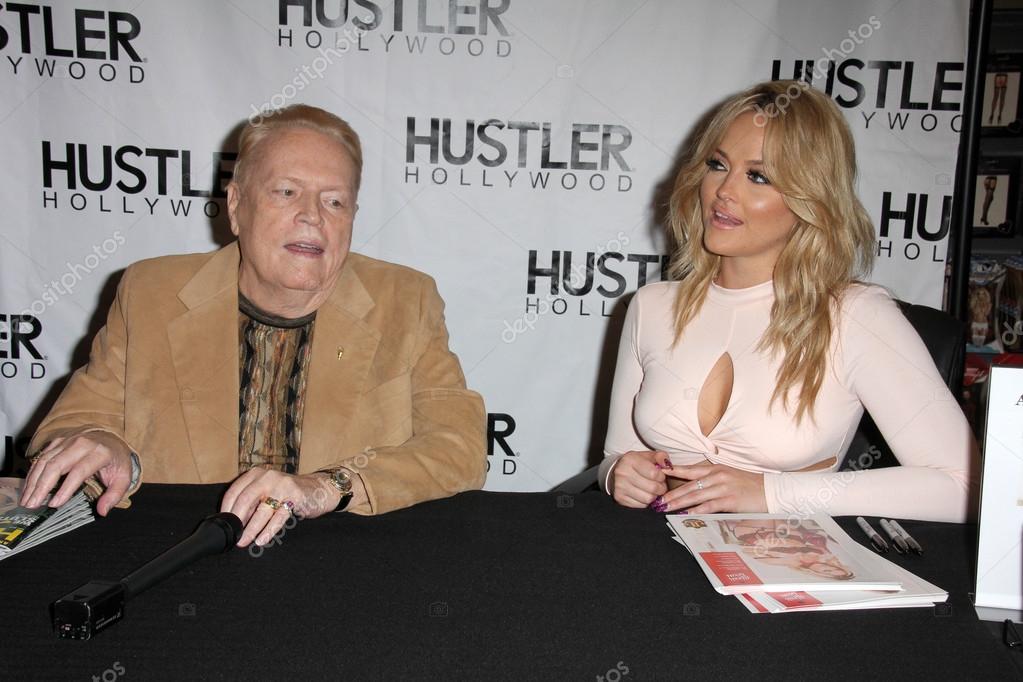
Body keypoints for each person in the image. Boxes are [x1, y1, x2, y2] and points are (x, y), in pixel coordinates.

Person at [20, 104, 487, 547]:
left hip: (339, 562)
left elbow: (460, 448)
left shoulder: (405, 300)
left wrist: (332, 485)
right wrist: (102, 444)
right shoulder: (151, 292)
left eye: (335, 201)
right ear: (236, 205)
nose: (312, 215)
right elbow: (72, 426)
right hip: (176, 555)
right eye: (286, 192)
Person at [601, 81, 976, 523]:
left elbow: (965, 488)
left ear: (809, 198)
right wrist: (618, 474)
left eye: (758, 176)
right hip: (653, 544)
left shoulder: (856, 317)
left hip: (785, 556)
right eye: (718, 165)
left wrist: (771, 492)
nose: (724, 190)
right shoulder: (651, 306)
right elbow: (617, 457)